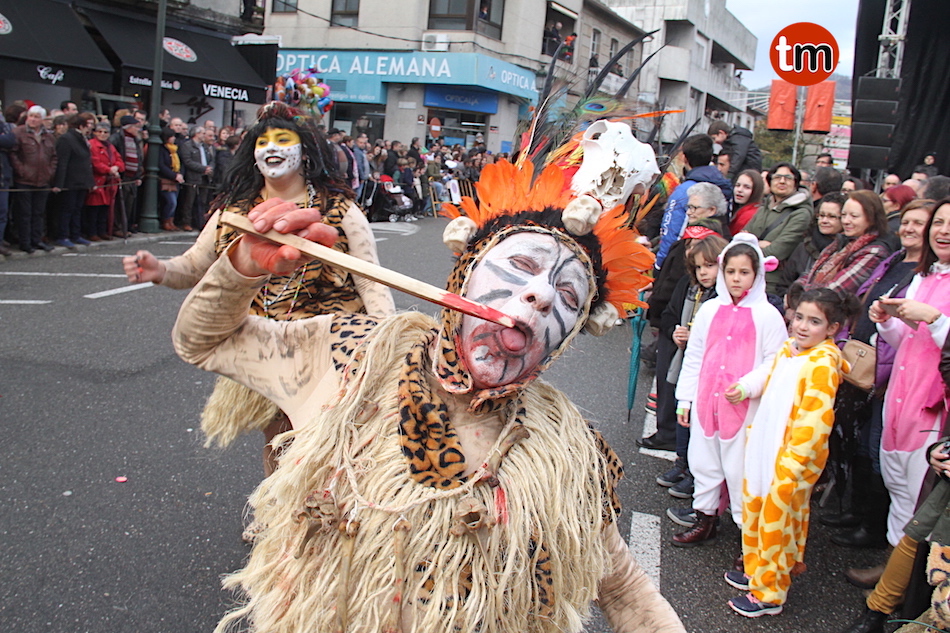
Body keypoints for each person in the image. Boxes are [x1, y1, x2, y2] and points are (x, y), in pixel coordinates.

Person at [170, 138, 686, 633]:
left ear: (566, 337)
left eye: (569, 296)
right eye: (522, 266)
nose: (541, 295)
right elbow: (205, 341)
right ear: (463, 275)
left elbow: (624, 592)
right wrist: (240, 268)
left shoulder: (567, 458)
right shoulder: (350, 352)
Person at [123, 102, 395, 495]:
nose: (272, 148)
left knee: (323, 436)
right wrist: (160, 271)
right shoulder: (232, 212)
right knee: (278, 435)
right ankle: (277, 511)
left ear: (305, 150)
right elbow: (196, 265)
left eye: (283, 140)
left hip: (326, 345)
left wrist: (384, 336)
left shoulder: (340, 209)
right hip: (263, 344)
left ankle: (329, 511)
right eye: (263, 140)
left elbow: (371, 279)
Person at [842, 200, 950, 633]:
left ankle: (900, 588)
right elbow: (907, 337)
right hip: (900, 395)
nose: (942, 231)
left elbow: (937, 333)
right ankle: (891, 567)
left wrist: (937, 320)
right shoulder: (923, 276)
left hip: (933, 403)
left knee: (918, 494)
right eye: (939, 223)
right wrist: (885, 321)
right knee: (896, 480)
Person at [724, 287, 857, 617]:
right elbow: (770, 380)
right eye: (799, 317)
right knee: (757, 510)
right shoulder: (790, 350)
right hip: (766, 447)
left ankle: (770, 592)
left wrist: (792, 467)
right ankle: (757, 570)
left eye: (814, 321)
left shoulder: (823, 365)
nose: (802, 326)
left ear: (832, 329)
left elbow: (814, 423)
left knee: (778, 523)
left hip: (788, 461)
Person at [825, 200, 933, 562]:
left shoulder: (918, 271)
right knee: (864, 450)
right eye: (910, 222)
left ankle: (876, 533)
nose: (913, 228)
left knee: (880, 458)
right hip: (875, 365)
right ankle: (861, 517)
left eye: (922, 223)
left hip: (899, 379)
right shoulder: (901, 262)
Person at [671, 234, 788, 547]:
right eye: (731, 272)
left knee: (742, 473)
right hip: (707, 405)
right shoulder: (709, 310)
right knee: (703, 462)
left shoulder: (768, 317)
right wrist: (685, 399)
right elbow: (695, 356)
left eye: (744, 272)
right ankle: (705, 519)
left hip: (745, 411)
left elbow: (775, 363)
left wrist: (748, 386)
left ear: (757, 274)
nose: (737, 279)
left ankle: (749, 539)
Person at [640, 183, 730, 453]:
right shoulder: (694, 235)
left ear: (711, 210)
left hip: (682, 320)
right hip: (673, 316)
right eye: (688, 207)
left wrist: (662, 309)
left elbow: (678, 278)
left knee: (676, 381)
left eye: (693, 207)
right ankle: (670, 436)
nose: (688, 212)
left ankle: (673, 439)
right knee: (669, 378)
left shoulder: (706, 239)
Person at [657, 232, 728, 523]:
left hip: (710, 375)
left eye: (710, 266)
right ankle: (683, 462)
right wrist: (676, 330)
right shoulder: (690, 289)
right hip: (686, 363)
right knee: (683, 415)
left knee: (702, 428)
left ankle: (698, 480)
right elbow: (671, 313)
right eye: (699, 267)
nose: (704, 272)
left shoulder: (722, 300)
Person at [655, 134, 733, 269]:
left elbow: (671, 231)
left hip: (683, 262)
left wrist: (660, 265)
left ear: (684, 158)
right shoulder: (723, 184)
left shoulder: (684, 191)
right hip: (714, 260)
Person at [794, 190, 892, 296]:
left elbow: (836, 289)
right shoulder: (841, 242)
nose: (845, 221)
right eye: (844, 215)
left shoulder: (874, 252)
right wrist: (794, 293)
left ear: (872, 218)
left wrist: (802, 298)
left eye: (854, 216)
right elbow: (810, 274)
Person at [742, 162, 815, 294]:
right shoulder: (765, 206)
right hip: (749, 277)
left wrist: (750, 245)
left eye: (788, 178)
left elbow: (777, 251)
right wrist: (759, 244)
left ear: (796, 183)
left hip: (772, 283)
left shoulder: (801, 213)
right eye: (777, 177)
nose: (782, 181)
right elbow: (741, 239)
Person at [10, 105, 57, 253]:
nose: (32, 119)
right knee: (24, 213)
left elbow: (54, 157)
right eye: (31, 116)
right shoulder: (18, 133)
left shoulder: (48, 136)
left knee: (39, 213)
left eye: (36, 117)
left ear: (42, 119)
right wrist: (21, 170)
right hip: (24, 180)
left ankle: (37, 240)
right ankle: (25, 242)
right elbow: (13, 154)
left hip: (43, 179)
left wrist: (50, 171)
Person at [782, 192, 847, 291]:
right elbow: (784, 284)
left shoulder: (847, 250)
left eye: (832, 216)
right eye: (821, 215)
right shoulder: (805, 246)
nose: (824, 220)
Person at [52, 112, 96, 248]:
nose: (89, 129)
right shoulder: (67, 139)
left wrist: (90, 182)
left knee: (77, 209)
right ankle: (63, 235)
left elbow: (86, 162)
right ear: (81, 126)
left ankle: (75, 235)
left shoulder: (82, 139)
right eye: (87, 125)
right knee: (67, 209)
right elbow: (62, 162)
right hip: (70, 181)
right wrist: (58, 183)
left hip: (81, 181)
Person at [85, 121, 124, 241]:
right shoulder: (92, 145)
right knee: (94, 209)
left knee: (104, 209)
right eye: (100, 132)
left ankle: (102, 231)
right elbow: (95, 163)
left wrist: (116, 167)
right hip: (97, 181)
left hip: (108, 183)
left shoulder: (110, 146)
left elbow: (120, 161)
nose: (102, 134)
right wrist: (109, 170)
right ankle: (92, 232)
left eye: (105, 132)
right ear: (95, 133)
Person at [109, 115, 144, 237]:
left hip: (132, 176)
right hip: (123, 176)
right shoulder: (117, 138)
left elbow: (138, 158)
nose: (137, 129)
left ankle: (125, 226)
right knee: (120, 204)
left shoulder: (135, 139)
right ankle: (118, 227)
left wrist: (138, 175)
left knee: (129, 203)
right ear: (128, 127)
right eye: (135, 127)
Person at [177, 126, 215, 231]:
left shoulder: (205, 147)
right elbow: (187, 161)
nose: (204, 135)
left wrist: (209, 168)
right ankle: (186, 222)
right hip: (193, 177)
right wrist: (202, 168)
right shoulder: (187, 146)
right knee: (189, 201)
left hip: (205, 177)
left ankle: (200, 222)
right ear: (197, 134)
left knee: (203, 201)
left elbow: (211, 159)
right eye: (203, 133)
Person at [157, 127, 184, 232]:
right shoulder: (162, 150)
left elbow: (181, 163)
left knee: (175, 201)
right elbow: (161, 165)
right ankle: (165, 220)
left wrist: (180, 174)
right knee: (171, 202)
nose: (173, 138)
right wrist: (173, 175)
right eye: (171, 136)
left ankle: (170, 221)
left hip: (176, 179)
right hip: (167, 179)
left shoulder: (175, 149)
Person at [729, 169, 764, 234]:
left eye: (747, 187)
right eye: (738, 185)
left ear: (756, 190)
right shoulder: (755, 210)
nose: (740, 190)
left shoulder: (748, 216)